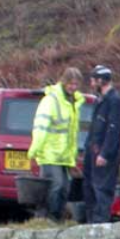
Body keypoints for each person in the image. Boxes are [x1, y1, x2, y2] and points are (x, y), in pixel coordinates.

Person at [28, 67, 85, 223]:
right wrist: (34, 151)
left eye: (76, 84)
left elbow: (72, 134)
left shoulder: (74, 103)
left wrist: (73, 159)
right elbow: (41, 127)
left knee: (65, 188)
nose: (73, 87)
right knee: (56, 185)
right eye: (71, 84)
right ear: (64, 82)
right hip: (49, 153)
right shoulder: (50, 101)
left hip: (64, 156)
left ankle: (57, 218)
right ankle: (48, 218)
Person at [82, 65, 120, 224]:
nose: (92, 84)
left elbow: (114, 129)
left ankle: (99, 225)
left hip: (103, 153)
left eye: (93, 80)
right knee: (89, 187)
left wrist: (105, 153)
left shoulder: (115, 101)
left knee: (102, 189)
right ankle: (90, 223)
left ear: (101, 80)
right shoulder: (101, 100)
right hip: (92, 150)